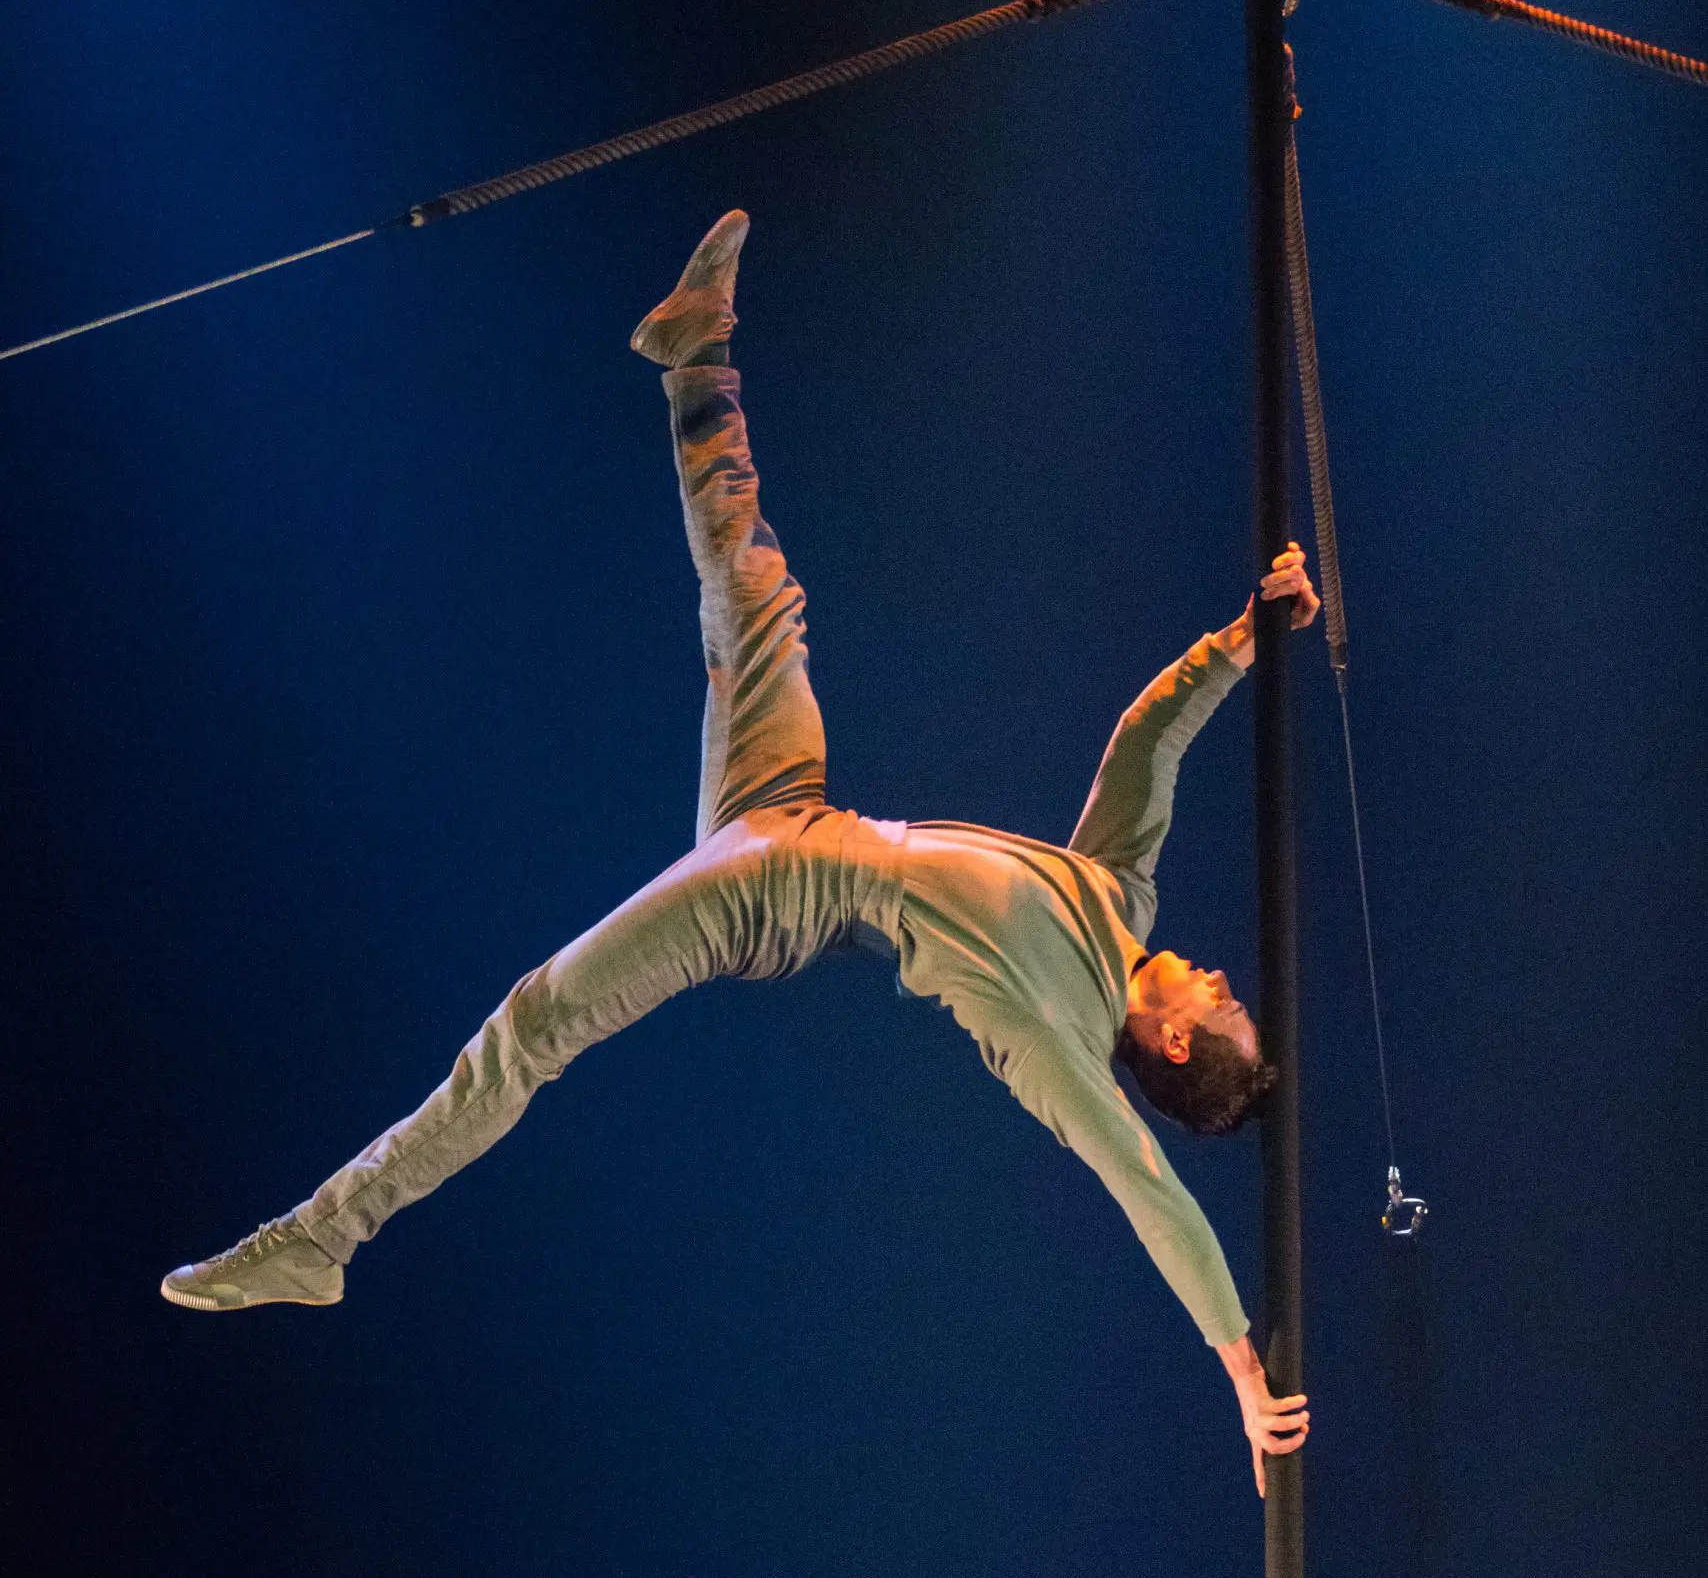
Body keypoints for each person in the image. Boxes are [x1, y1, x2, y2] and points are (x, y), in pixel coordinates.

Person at [162, 212, 1312, 1491]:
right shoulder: (1115, 893)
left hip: (775, 891)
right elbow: (1146, 739)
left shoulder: (1053, 1035)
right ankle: (694, 352)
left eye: (1224, 1011)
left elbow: (1146, 1188)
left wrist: (1238, 1368)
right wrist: (1242, 640)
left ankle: (325, 1235)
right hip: (793, 811)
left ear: (1167, 1044)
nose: (1219, 983)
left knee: (533, 1023)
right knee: (754, 592)